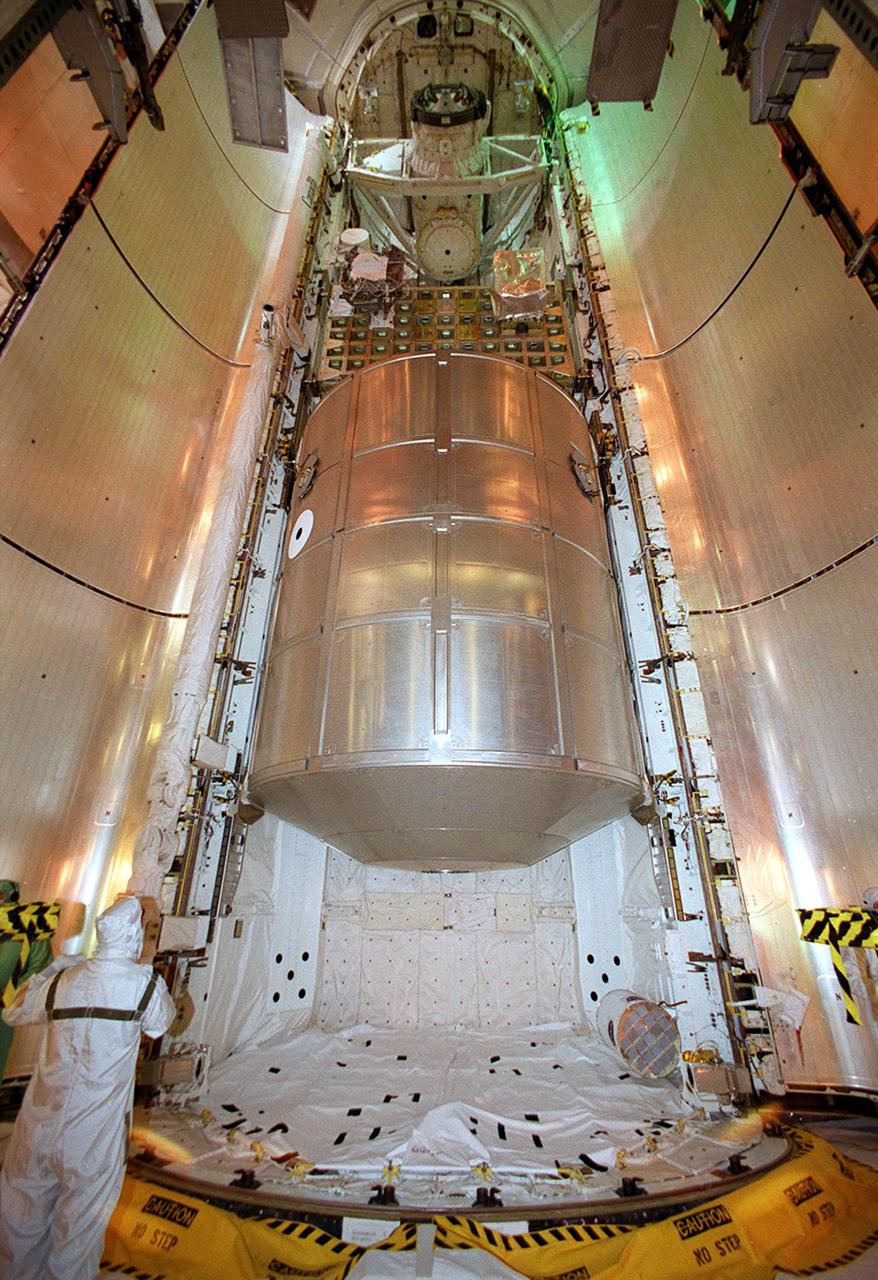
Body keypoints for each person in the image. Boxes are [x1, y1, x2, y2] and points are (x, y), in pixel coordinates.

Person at [0, 895, 175, 1280]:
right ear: (134, 935)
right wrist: (144, 967)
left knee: (19, 1227)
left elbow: (14, 1010)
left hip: (40, 1123)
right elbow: (162, 1023)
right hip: (93, 1134)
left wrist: (60, 966)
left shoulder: (65, 979)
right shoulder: (143, 986)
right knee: (77, 1236)